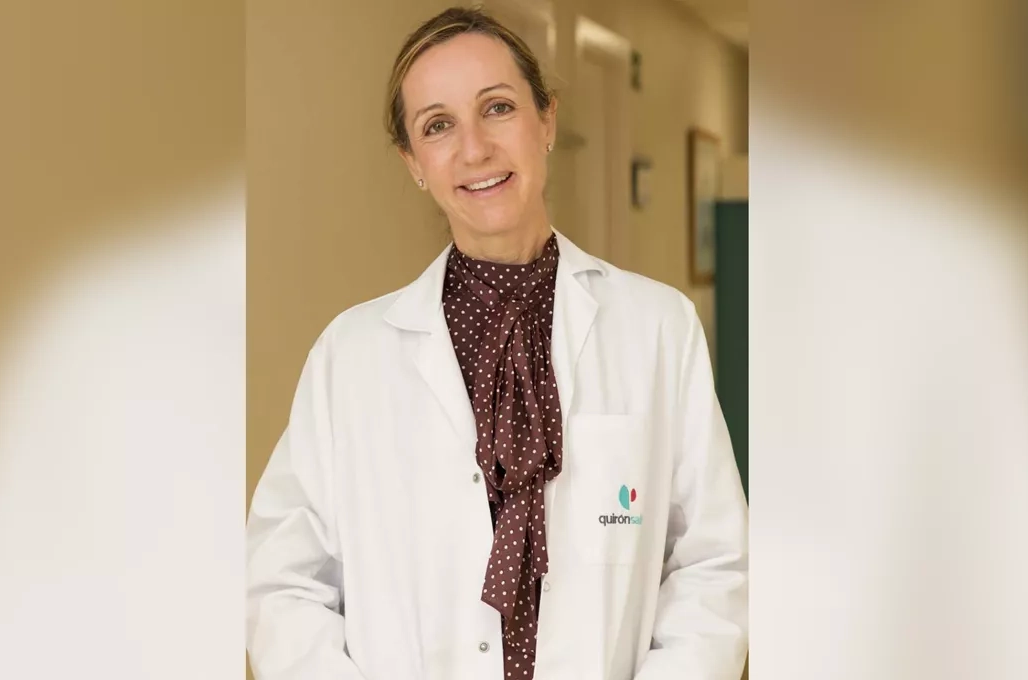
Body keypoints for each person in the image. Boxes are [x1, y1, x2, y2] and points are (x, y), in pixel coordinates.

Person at [246, 7, 747, 680]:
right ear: (413, 162)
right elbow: (281, 581)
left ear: (547, 121)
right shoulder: (350, 357)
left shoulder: (659, 329)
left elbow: (714, 562)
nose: (475, 148)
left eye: (498, 108)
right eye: (438, 125)